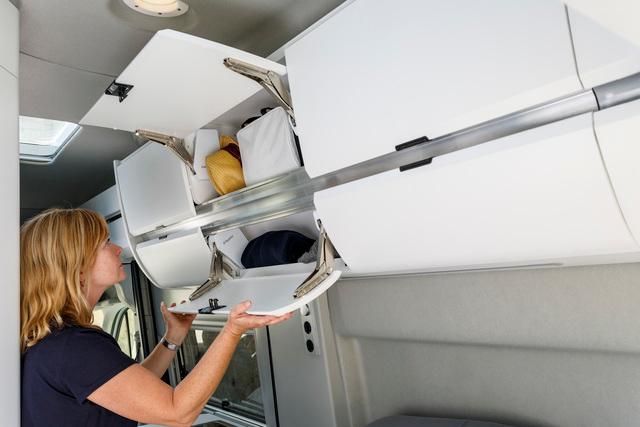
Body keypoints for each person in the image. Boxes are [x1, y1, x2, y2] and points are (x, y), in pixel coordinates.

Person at [20, 208, 293, 426]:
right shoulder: (73, 347)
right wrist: (232, 330)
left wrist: (172, 338)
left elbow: (132, 390)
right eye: (105, 243)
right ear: (77, 267)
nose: (118, 249)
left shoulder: (59, 342)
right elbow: (178, 412)